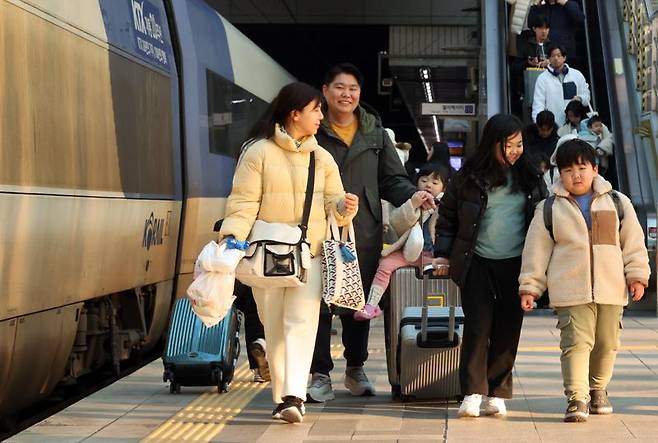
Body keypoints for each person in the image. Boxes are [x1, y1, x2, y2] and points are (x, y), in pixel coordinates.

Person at [219, 81, 358, 423]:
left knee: (301, 323)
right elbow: (242, 203)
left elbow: (334, 204)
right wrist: (232, 237)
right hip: (265, 256)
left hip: (307, 254)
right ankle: (282, 396)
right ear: (295, 114)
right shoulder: (258, 152)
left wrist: (344, 206)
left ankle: (294, 395)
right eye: (316, 110)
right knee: (274, 326)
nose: (321, 116)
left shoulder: (321, 157)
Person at [308, 63, 434, 402]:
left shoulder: (374, 133)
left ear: (359, 95)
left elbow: (392, 178)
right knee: (319, 302)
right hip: (321, 228)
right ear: (325, 91)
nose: (346, 94)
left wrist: (413, 194)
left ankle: (355, 368)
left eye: (353, 88)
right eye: (339, 87)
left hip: (362, 229)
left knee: (359, 302)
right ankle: (319, 373)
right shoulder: (312, 131)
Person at [519, 139, 649, 422]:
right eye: (568, 170)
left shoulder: (617, 202)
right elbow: (536, 250)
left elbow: (633, 243)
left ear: (594, 168)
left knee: (607, 343)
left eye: (581, 167)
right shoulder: (549, 208)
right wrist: (530, 286)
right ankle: (577, 398)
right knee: (576, 343)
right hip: (570, 289)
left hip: (612, 288)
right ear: (559, 174)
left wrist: (637, 275)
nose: (576, 175)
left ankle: (597, 388)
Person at [432, 114, 547, 418]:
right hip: (476, 261)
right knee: (478, 326)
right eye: (508, 145)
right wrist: (442, 255)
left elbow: (545, 221)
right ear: (491, 144)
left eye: (519, 144)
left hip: (516, 264)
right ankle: (472, 391)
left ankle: (497, 392)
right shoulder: (469, 176)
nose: (515, 151)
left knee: (509, 328)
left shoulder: (531, 178)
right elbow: (448, 219)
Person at [354, 164, 449, 321]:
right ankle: (372, 306)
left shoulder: (446, 206)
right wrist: (412, 204)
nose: (428, 185)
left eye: (435, 182)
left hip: (433, 257)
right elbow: (396, 225)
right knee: (385, 265)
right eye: (424, 180)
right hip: (408, 253)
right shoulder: (408, 199)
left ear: (444, 187)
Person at [532, 45, 590, 127]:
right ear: (548, 59)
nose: (556, 58)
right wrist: (538, 125)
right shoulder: (542, 78)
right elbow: (538, 105)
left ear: (564, 58)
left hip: (575, 125)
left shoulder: (577, 74)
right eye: (552, 56)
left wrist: (580, 98)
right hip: (553, 126)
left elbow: (586, 96)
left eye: (559, 55)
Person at [528, 0, 585, 70]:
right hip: (546, 54)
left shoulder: (569, 5)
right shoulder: (542, 8)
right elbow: (531, 23)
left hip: (565, 55)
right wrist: (536, 4)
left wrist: (564, 2)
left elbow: (580, 19)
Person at [232, 281, 270, 383]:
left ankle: (258, 367)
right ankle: (264, 344)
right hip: (276, 273)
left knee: (253, 305)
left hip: (243, 275)